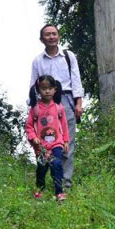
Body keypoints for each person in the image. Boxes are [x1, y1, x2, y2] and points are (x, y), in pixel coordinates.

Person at [30, 24, 84, 190]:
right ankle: (44, 183)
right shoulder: (38, 61)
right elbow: (33, 84)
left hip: (66, 101)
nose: (51, 37)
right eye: (47, 35)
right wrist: (33, 108)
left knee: (67, 143)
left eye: (54, 34)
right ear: (42, 39)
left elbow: (76, 79)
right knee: (46, 144)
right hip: (44, 106)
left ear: (58, 36)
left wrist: (79, 103)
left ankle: (64, 185)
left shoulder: (68, 56)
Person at [26, 75, 69, 201]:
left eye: (50, 88)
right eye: (44, 88)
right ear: (39, 90)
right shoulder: (35, 109)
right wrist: (33, 138)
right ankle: (40, 189)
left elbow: (64, 125)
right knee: (42, 167)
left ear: (55, 89)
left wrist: (65, 140)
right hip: (41, 146)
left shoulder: (58, 107)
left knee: (56, 164)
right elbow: (29, 126)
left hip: (57, 143)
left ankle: (59, 192)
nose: (47, 91)